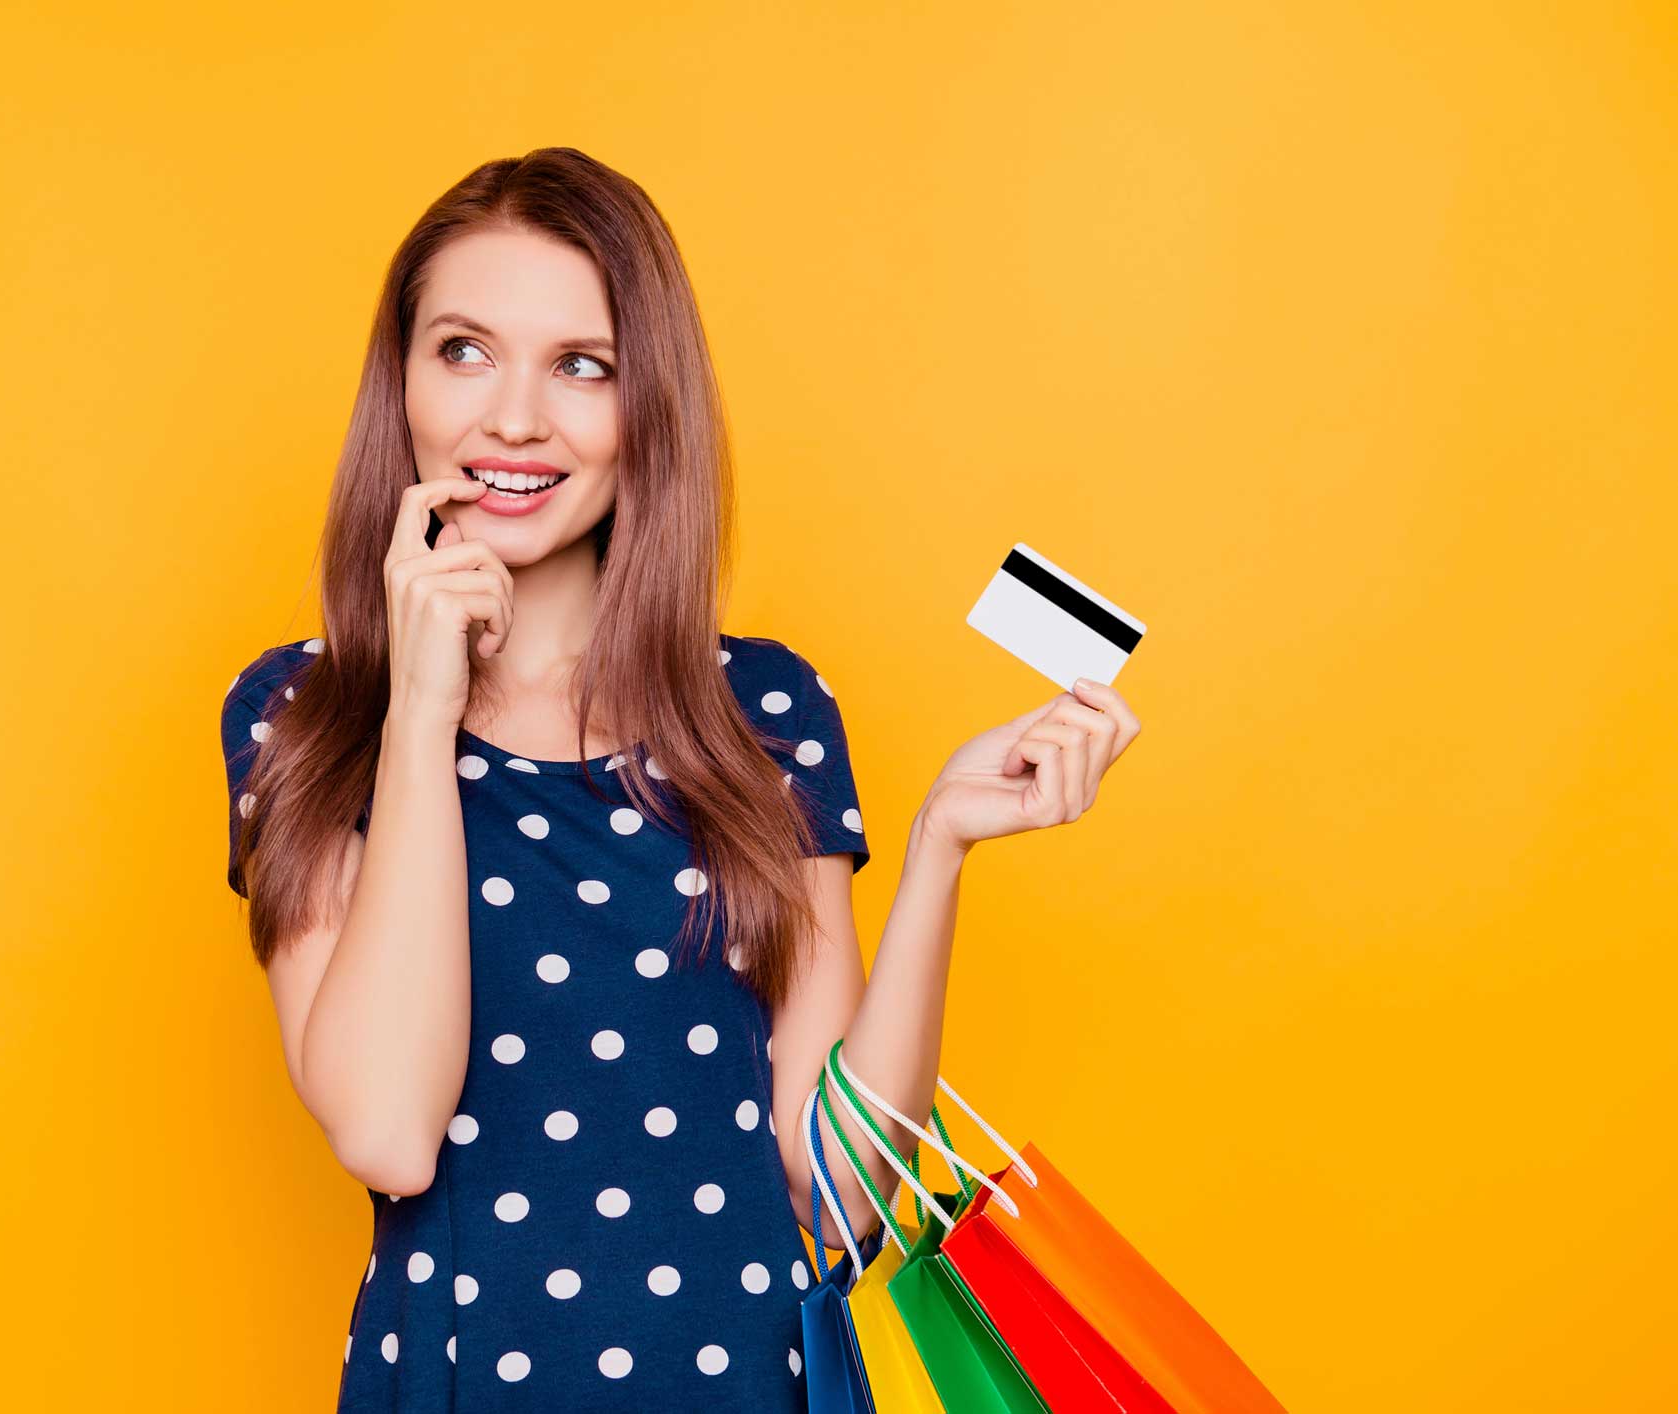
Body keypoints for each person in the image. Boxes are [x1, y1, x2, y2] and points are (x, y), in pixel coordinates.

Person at [217, 146, 1141, 1412]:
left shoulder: (761, 711)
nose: (516, 419)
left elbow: (843, 1197)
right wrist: (423, 711)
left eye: (581, 366)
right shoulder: (306, 714)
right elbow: (386, 1133)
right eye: (466, 351)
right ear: (405, 381)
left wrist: (939, 846)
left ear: (648, 403)